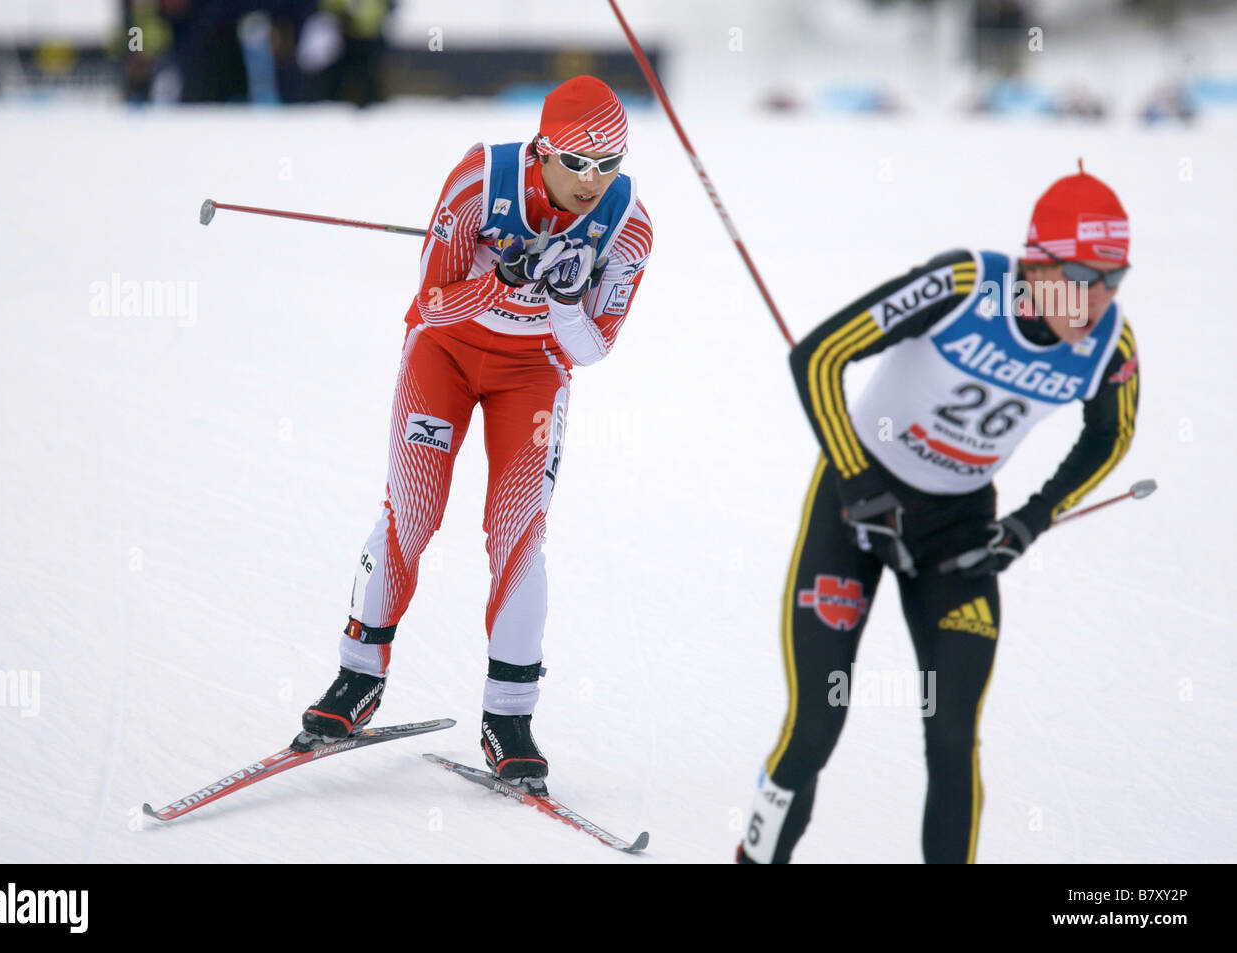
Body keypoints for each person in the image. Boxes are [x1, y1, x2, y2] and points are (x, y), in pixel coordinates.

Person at [738, 162, 1139, 863]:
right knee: (816, 722)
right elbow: (819, 358)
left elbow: (1112, 434)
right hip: (853, 507)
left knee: (952, 734)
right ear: (1035, 264)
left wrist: (1031, 519)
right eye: (1082, 276)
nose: (1098, 298)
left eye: (1114, 277)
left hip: (957, 532)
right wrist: (860, 486)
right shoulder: (964, 287)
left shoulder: (1108, 347)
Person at [293, 76, 653, 786]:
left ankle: (509, 717)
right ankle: (357, 678)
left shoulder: (628, 225)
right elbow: (430, 303)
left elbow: (593, 348)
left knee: (519, 530)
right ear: (543, 149)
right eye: (576, 163)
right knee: (413, 512)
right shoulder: (479, 181)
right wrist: (498, 281)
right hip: (446, 356)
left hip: (534, 373)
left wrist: (563, 299)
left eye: (607, 164)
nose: (591, 181)